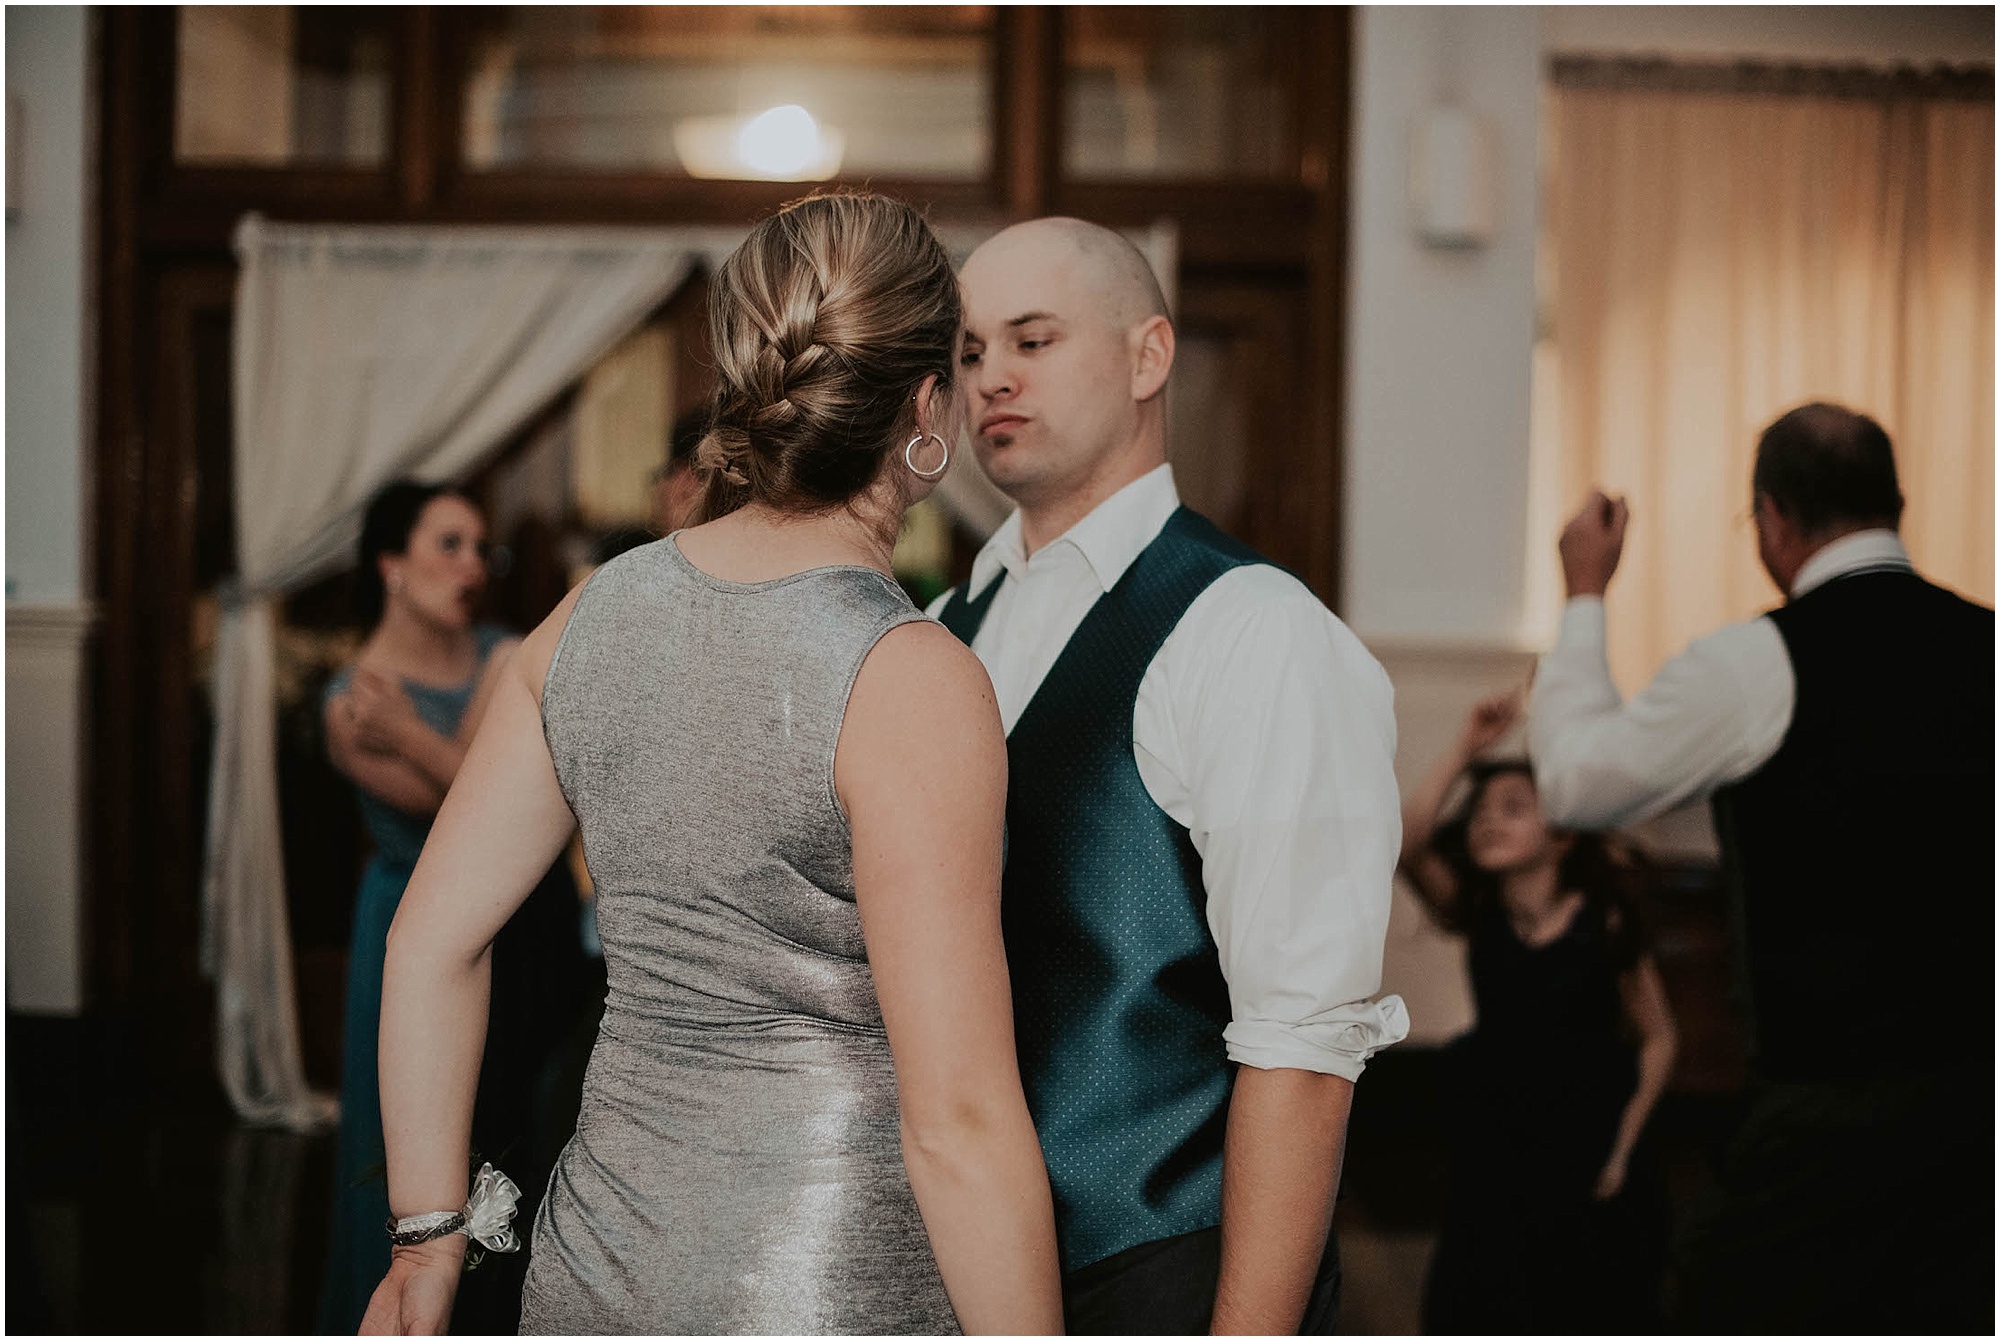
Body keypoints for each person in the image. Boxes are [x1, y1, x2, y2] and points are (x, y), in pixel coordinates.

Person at [360, 191, 1063, 1336]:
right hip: (823, 1284)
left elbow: (431, 939)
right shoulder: (907, 674)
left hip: (595, 1267)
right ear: (925, 405)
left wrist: (429, 1239)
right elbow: (960, 1122)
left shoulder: (585, 618)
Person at [936, 216, 1407, 1334]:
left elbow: (1302, 1042)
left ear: (1148, 358)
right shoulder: (946, 624)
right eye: (965, 353)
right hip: (961, 1264)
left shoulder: (1252, 630)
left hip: (1164, 1269)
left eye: (1032, 340)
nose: (989, 376)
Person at [1529, 402, 1994, 1333]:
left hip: (1826, 1120)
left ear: (1771, 519)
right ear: (1895, 504)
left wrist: (1585, 590)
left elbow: (1576, 785)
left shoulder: (1758, 661)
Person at [318, 482, 592, 1335]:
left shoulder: (503, 652)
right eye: (448, 544)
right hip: (400, 925)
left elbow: (499, 805)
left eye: (480, 547)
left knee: (493, 1122)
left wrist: (408, 732)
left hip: (505, 925)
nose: (471, 564)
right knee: (394, 1137)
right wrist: (425, 742)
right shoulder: (346, 700)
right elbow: (457, 804)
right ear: (391, 565)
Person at [1399, 692, 1677, 1333]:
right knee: (1484, 1296)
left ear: (1562, 835)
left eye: (1514, 809)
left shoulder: (1603, 923)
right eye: (1480, 814)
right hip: (1498, 1143)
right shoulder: (1481, 915)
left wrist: (1623, 1149)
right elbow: (1408, 842)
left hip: (1587, 1144)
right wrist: (1467, 744)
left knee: (1587, 1297)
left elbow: (1660, 1039)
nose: (1485, 824)